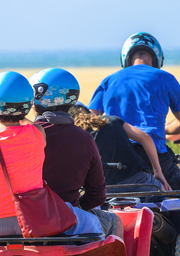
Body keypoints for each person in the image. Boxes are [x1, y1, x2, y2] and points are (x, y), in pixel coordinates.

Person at [0, 71, 102, 237]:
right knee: (95, 227)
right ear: (29, 105)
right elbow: (28, 123)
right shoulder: (37, 134)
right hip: (31, 220)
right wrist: (20, 111)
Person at [88, 33, 180, 190]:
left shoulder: (109, 81)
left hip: (116, 158)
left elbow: (90, 120)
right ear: (157, 57)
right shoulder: (166, 78)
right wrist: (163, 130)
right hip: (154, 156)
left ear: (126, 57)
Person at [29, 68, 123, 239]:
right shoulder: (84, 138)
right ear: (71, 101)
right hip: (69, 219)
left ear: (35, 104)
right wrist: (77, 206)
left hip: (25, 219)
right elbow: (97, 195)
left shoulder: (20, 137)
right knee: (115, 221)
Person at [70, 104, 171, 191]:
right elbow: (145, 137)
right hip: (140, 180)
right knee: (169, 201)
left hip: (108, 188)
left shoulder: (77, 134)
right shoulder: (111, 120)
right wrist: (157, 170)